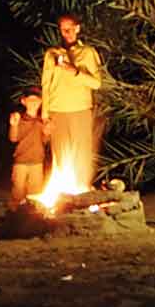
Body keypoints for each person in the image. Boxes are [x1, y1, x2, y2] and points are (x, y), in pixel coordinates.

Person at [40, 11, 103, 189]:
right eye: (63, 30)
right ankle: (62, 193)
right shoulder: (52, 54)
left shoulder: (88, 52)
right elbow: (46, 84)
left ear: (77, 28)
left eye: (69, 29)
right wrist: (45, 116)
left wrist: (74, 70)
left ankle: (81, 191)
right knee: (59, 154)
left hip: (80, 109)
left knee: (81, 153)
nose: (66, 33)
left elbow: (96, 83)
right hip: (57, 110)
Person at [8, 86, 49, 209]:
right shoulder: (19, 118)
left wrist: (47, 133)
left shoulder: (42, 121)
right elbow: (13, 138)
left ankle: (33, 223)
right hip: (21, 162)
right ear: (23, 101)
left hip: (37, 163)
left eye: (36, 100)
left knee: (35, 196)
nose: (33, 103)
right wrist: (13, 125)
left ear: (41, 102)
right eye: (30, 100)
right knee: (17, 194)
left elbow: (45, 142)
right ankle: (13, 220)